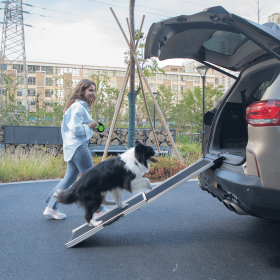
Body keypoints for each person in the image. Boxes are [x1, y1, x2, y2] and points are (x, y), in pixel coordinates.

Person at [43, 79, 107, 220]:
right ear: (82, 91)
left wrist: (92, 124)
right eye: (90, 90)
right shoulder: (78, 107)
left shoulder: (78, 107)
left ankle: (51, 207)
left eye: (94, 90)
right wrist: (90, 125)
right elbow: (76, 129)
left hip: (73, 147)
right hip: (78, 147)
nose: (93, 93)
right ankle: (98, 209)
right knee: (91, 178)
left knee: (69, 179)